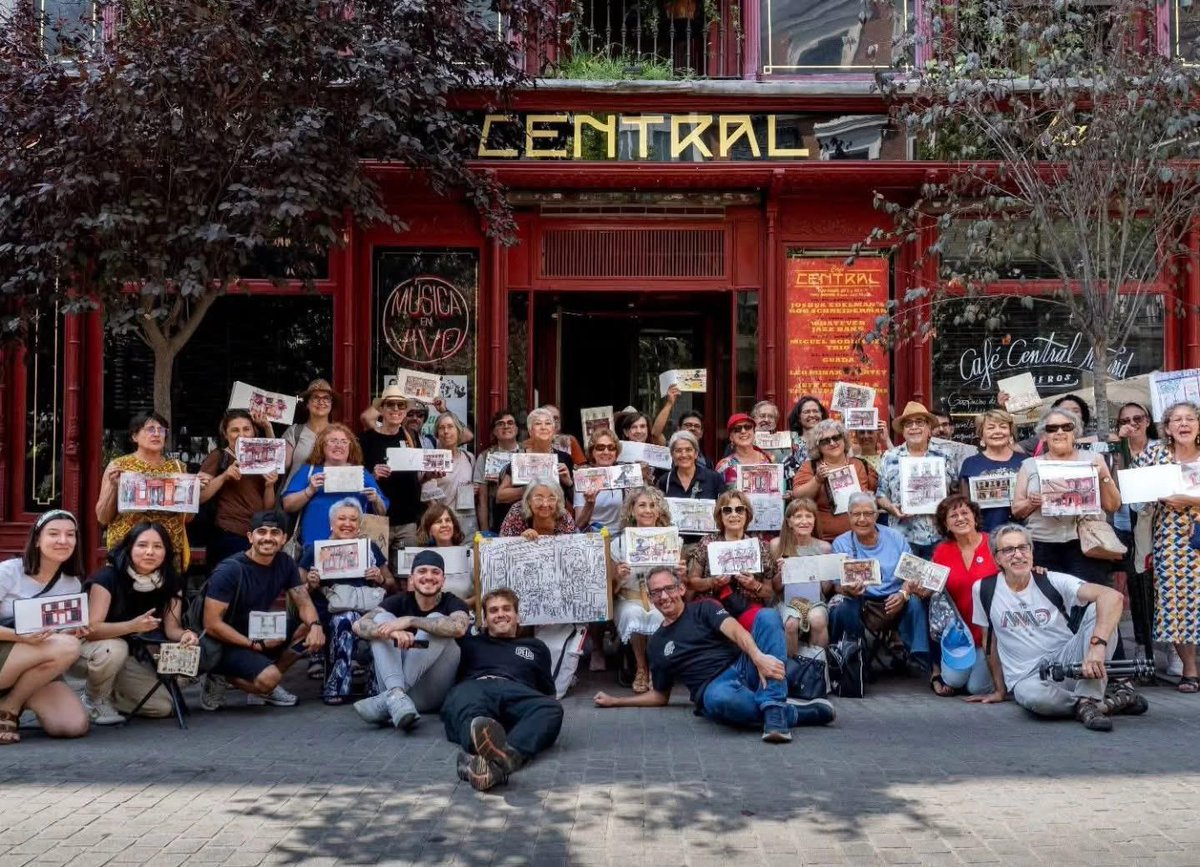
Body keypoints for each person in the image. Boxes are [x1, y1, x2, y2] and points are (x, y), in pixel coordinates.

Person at [593, 567, 835, 743]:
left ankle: (773, 708)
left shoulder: (704, 608)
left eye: (668, 589)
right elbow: (659, 695)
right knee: (722, 702)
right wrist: (617, 701)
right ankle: (791, 712)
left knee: (768, 617)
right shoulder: (656, 644)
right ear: (651, 597)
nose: (664, 597)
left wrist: (757, 657)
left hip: (744, 664)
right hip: (715, 687)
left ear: (681, 588)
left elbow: (736, 630)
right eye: (656, 592)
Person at [969, 524, 1145, 731]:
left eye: (1023, 548)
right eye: (1008, 550)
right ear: (997, 559)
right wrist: (999, 690)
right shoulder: (983, 589)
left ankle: (1088, 699)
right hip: (1027, 677)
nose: (1017, 555)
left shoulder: (1050, 580)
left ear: (1032, 552)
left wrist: (1097, 647)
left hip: (1070, 663)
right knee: (1036, 699)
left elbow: (1112, 596)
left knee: (1101, 610)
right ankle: (1100, 703)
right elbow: (990, 640)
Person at [200, 511, 326, 709]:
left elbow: (303, 601)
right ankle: (222, 675)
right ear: (250, 537)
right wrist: (253, 645)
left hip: (258, 630)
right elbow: (212, 624)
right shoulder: (230, 570)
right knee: (269, 678)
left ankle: (266, 685)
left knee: (307, 627)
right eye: (262, 532)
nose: (268, 537)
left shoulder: (284, 562)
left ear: (284, 538)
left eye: (275, 532)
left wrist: (316, 626)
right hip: (225, 641)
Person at [442, 588, 564, 792]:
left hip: (516, 692)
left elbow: (547, 692)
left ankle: (490, 761)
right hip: (475, 687)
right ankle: (500, 761)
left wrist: (534, 710)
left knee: (551, 708)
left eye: (506, 609)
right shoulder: (468, 643)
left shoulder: (536, 647)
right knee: (472, 715)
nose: (500, 614)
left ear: (518, 616)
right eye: (493, 610)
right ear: (484, 619)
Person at [78, 523, 197, 724]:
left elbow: (171, 629)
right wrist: (132, 626)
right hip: (98, 650)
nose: (150, 552)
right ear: (129, 548)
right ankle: (93, 698)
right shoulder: (108, 578)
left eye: (158, 546)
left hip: (134, 657)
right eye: (142, 545)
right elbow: (91, 630)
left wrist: (186, 635)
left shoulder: (171, 581)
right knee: (117, 648)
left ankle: (112, 696)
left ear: (166, 551)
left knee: (162, 707)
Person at [352, 550, 471, 730]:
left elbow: (459, 627)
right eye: (422, 571)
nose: (429, 577)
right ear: (411, 579)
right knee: (382, 622)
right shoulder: (398, 601)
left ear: (443, 580)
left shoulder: (452, 602)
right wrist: (389, 632)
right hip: (396, 682)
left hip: (430, 691)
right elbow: (359, 625)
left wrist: (411, 621)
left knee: (438, 620)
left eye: (435, 572)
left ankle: (393, 696)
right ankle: (396, 695)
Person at [0, 511, 90, 743]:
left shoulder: (72, 583)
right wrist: (22, 637)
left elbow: (57, 639)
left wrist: (71, 632)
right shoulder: (9, 571)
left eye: (70, 535)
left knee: (72, 725)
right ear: (37, 539)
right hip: (8, 651)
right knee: (68, 647)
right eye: (54, 533)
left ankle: (11, 703)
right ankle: (7, 711)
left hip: (36, 664)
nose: (63, 540)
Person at [297, 498, 394, 702]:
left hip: (367, 608)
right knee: (345, 618)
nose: (347, 524)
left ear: (359, 525)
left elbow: (391, 585)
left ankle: (377, 687)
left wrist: (380, 578)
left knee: (380, 620)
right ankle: (338, 685)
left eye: (353, 519)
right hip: (331, 612)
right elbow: (297, 591)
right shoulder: (315, 549)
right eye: (342, 518)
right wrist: (311, 584)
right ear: (331, 523)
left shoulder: (370, 548)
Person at [1012, 406, 1121, 586]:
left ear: (1075, 432)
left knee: (1088, 602)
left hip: (1087, 543)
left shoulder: (1093, 459)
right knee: (1050, 602)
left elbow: (1113, 506)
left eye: (1066, 427)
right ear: (1044, 436)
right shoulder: (1030, 465)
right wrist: (1033, 502)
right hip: (1042, 545)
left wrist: (1103, 477)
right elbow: (1017, 511)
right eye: (1052, 428)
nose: (1060, 432)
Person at [1133, 401, 1200, 692]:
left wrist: (1189, 500)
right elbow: (1135, 493)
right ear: (1167, 427)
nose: (1183, 424)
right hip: (1172, 539)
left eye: (1190, 419)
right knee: (1176, 603)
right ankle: (1190, 669)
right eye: (1177, 420)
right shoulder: (1155, 453)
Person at [499, 483, 582, 698]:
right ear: (528, 501)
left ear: (559, 501)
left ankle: (552, 676)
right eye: (538, 497)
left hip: (558, 590)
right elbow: (500, 555)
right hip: (522, 587)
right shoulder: (517, 514)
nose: (545, 503)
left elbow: (575, 555)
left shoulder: (564, 518)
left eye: (551, 497)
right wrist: (521, 541)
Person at [829, 492, 930, 666]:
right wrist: (848, 589)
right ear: (849, 516)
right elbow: (836, 585)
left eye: (868, 513)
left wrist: (903, 593)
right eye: (856, 514)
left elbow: (913, 572)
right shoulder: (841, 543)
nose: (862, 519)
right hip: (862, 600)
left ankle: (921, 658)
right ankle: (852, 659)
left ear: (876, 515)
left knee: (915, 602)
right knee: (841, 606)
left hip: (895, 597)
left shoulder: (895, 537)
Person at [95, 412, 192, 570]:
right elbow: (102, 517)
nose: (156, 434)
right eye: (150, 429)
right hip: (127, 550)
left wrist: (192, 494)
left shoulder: (178, 468)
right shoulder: (119, 467)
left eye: (161, 430)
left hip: (167, 551)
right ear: (135, 436)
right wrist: (114, 487)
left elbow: (187, 518)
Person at [610, 487, 679, 693]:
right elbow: (609, 590)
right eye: (642, 505)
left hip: (661, 599)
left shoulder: (672, 540)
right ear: (632, 511)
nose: (648, 510)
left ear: (659, 511)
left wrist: (680, 573)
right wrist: (618, 575)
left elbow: (680, 584)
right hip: (629, 598)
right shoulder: (619, 544)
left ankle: (655, 669)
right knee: (634, 613)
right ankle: (641, 667)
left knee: (660, 614)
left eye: (652, 505)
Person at [281, 424, 389, 550]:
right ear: (322, 445)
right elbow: (288, 505)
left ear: (350, 447)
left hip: (354, 547)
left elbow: (382, 511)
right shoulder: (309, 471)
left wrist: (376, 499)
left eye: (344, 442)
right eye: (333, 441)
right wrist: (309, 491)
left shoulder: (362, 473)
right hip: (315, 546)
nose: (339, 445)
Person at [929, 496, 996, 697]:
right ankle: (943, 671)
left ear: (975, 517)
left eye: (965, 513)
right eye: (953, 515)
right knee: (954, 681)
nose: (960, 518)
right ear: (946, 525)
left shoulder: (994, 544)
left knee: (976, 688)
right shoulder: (942, 552)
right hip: (959, 635)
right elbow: (929, 583)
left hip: (991, 633)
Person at [198, 410, 280, 565]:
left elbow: (267, 508)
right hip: (228, 534)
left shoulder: (262, 459)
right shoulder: (219, 456)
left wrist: (269, 486)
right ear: (225, 434)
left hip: (257, 535)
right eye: (235, 430)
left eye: (246, 429)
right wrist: (224, 477)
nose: (241, 434)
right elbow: (199, 497)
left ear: (254, 432)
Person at [875, 401, 955, 559]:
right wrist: (891, 507)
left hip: (938, 535)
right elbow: (880, 494)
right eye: (908, 424)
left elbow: (954, 491)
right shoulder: (890, 457)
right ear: (903, 431)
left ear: (929, 429)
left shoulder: (944, 456)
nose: (914, 427)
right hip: (902, 537)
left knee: (937, 582)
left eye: (919, 422)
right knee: (906, 583)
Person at [687, 490, 777, 630]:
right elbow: (692, 582)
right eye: (727, 510)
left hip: (748, 605)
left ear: (747, 514)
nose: (734, 514)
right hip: (712, 604)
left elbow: (770, 591)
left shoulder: (760, 546)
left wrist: (754, 585)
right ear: (720, 515)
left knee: (769, 621)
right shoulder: (707, 543)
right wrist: (712, 581)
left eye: (740, 510)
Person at [359, 387, 424, 555]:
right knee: (375, 574)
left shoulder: (411, 436)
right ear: (381, 409)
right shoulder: (367, 439)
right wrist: (372, 476)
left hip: (407, 520)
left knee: (406, 576)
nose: (396, 409)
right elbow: (356, 479)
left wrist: (431, 475)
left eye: (401, 405)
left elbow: (417, 477)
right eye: (390, 404)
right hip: (375, 519)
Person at [792, 419, 878, 543]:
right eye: (825, 441)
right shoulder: (810, 467)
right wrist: (817, 479)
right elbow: (798, 497)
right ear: (817, 447)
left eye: (836, 437)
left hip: (859, 538)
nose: (832, 443)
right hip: (824, 540)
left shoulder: (861, 465)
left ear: (844, 439)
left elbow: (874, 496)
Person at [770, 498, 832, 656]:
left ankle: (818, 667)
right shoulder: (777, 545)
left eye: (809, 516)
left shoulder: (824, 548)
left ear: (814, 520)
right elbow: (775, 588)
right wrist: (782, 572)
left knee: (817, 620)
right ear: (789, 522)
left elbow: (826, 589)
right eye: (798, 516)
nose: (804, 521)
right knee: (791, 624)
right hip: (787, 601)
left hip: (815, 600)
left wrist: (821, 573)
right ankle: (791, 668)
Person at [496, 407, 574, 514]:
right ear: (530, 431)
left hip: (555, 520)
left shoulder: (564, 458)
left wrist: (569, 483)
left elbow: (575, 500)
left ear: (553, 430)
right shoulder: (521, 458)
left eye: (548, 423)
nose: (543, 427)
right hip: (524, 520)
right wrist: (529, 489)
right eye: (538, 424)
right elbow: (501, 495)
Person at [958, 409, 1024, 532]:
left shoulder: (1026, 462)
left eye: (1003, 427)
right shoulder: (970, 463)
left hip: (1021, 534)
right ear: (981, 434)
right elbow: (964, 505)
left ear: (1010, 433)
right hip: (983, 533)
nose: (997, 431)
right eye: (991, 428)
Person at [421, 412, 477, 537]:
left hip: (468, 524)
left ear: (458, 431)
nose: (446, 431)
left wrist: (473, 489)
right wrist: (445, 521)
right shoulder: (432, 459)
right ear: (437, 433)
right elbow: (429, 499)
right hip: (443, 526)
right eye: (441, 428)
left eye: (450, 427)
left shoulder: (469, 458)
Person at [281, 378, 338, 490]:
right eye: (315, 397)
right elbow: (282, 464)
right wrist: (268, 428)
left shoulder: (339, 434)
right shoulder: (294, 431)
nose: (321, 402)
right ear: (307, 404)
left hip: (326, 498)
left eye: (326, 398)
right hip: (294, 497)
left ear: (331, 404)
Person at [473, 409, 522, 534]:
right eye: (500, 424)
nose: (506, 426)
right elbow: (482, 498)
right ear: (494, 431)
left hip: (525, 518)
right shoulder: (485, 457)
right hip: (495, 519)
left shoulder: (528, 453)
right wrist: (485, 532)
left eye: (510, 423)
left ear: (516, 429)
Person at [414, 503, 474, 602]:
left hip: (464, 612)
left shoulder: (469, 555)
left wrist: (457, 606)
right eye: (438, 522)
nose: (444, 525)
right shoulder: (421, 559)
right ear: (430, 530)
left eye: (447, 520)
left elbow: (482, 593)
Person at [574, 428, 626, 533]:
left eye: (611, 448)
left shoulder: (625, 475)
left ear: (616, 453)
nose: (606, 452)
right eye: (600, 448)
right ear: (592, 452)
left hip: (619, 535)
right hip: (592, 535)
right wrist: (590, 502)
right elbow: (579, 524)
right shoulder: (583, 477)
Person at [651, 387, 709, 466]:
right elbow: (656, 434)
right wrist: (669, 403)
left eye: (697, 426)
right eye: (688, 425)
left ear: (701, 433)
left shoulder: (707, 462)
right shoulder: (670, 449)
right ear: (678, 429)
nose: (692, 428)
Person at [714, 413, 773, 487]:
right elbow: (718, 494)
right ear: (731, 437)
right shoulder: (723, 465)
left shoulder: (768, 459)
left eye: (748, 427)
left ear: (754, 432)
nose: (743, 431)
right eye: (737, 429)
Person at [785, 395, 829, 466]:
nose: (812, 415)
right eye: (807, 412)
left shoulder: (831, 439)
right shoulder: (790, 442)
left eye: (815, 411)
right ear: (799, 417)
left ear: (821, 414)